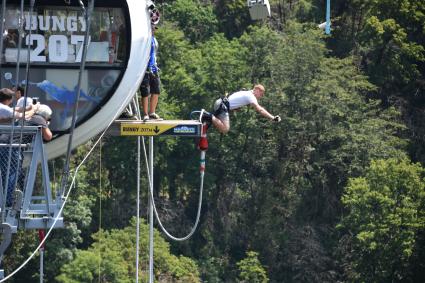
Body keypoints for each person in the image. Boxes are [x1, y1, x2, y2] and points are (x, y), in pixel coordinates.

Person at [201, 84, 281, 134]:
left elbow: (233, 101)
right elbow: (260, 110)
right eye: (261, 94)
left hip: (220, 103)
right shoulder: (251, 96)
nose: (261, 96)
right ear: (257, 90)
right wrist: (273, 117)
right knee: (225, 129)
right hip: (222, 106)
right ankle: (207, 115)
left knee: (209, 125)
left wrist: (235, 108)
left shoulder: (246, 92)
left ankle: (206, 117)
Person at [140, 15, 161, 121]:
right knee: (145, 91)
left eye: (154, 28)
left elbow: (154, 54)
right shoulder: (145, 39)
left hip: (154, 67)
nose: (154, 30)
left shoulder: (154, 39)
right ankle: (145, 113)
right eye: (152, 28)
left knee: (156, 90)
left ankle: (152, 112)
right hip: (145, 68)